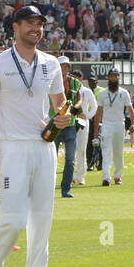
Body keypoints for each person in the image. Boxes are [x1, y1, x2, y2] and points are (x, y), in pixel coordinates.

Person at [0, 4, 73, 267]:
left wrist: (63, 117)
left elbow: (60, 105)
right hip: (12, 147)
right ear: (15, 26)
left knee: (41, 225)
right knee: (14, 221)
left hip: (44, 148)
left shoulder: (51, 63)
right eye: (30, 22)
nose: (36, 28)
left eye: (40, 23)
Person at [95, 66, 134, 186]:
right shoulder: (102, 93)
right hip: (107, 124)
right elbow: (98, 113)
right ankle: (106, 177)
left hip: (119, 124)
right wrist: (96, 131)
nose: (113, 78)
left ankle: (117, 176)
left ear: (118, 78)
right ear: (108, 78)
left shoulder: (124, 93)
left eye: (115, 76)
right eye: (111, 76)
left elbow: (131, 110)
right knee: (106, 151)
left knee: (118, 152)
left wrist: (133, 124)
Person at [51, 55, 82, 198]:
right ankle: (48, 188)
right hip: (55, 123)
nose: (64, 69)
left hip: (70, 124)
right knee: (51, 159)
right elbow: (49, 101)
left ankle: (66, 189)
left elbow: (79, 99)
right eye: (62, 66)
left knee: (70, 159)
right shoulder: (51, 81)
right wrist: (61, 110)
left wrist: (75, 107)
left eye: (66, 66)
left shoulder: (75, 83)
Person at [72, 71, 98, 186]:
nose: (75, 80)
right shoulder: (69, 90)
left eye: (77, 78)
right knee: (70, 151)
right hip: (71, 122)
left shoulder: (86, 91)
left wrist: (86, 115)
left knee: (82, 150)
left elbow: (94, 106)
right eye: (73, 78)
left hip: (83, 123)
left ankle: (81, 176)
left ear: (81, 79)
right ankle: (71, 176)